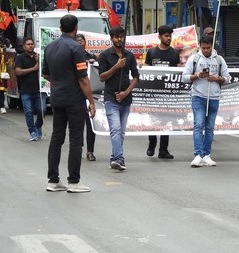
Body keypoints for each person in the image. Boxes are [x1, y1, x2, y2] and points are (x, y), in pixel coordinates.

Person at [42, 14, 96, 193]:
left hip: (57, 97)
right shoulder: (76, 48)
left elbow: (46, 74)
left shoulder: (50, 47)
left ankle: (53, 180)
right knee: (75, 139)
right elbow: (83, 79)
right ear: (76, 28)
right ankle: (73, 181)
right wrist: (91, 101)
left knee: (56, 137)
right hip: (74, 99)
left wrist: (60, 82)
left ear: (60, 28)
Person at [182, 35, 231, 167]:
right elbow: (184, 78)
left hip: (214, 97)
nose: (205, 50)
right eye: (203, 48)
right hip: (198, 96)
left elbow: (227, 78)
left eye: (208, 48)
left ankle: (206, 155)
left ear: (212, 46)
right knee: (199, 125)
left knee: (209, 127)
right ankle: (198, 154)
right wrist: (197, 75)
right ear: (200, 46)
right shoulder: (194, 59)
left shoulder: (219, 60)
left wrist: (217, 78)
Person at [98, 25, 140, 172]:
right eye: (116, 37)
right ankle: (119, 158)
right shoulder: (105, 55)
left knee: (121, 132)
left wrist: (126, 92)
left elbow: (136, 77)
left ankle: (114, 158)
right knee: (115, 129)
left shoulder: (129, 56)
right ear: (111, 39)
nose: (119, 39)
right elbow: (102, 77)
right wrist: (116, 66)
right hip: (111, 97)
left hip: (126, 98)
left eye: (121, 37)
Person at [145, 25, 179, 159]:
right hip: (153, 93)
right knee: (153, 120)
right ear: (159, 37)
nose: (168, 38)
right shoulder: (152, 52)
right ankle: (152, 143)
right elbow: (146, 69)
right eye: (166, 36)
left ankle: (163, 149)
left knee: (166, 120)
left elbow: (177, 71)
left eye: (170, 36)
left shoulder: (174, 53)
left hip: (167, 94)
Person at [15, 37, 46, 141]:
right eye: (28, 44)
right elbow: (18, 72)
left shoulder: (39, 56)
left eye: (32, 44)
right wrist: (33, 69)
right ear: (24, 46)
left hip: (40, 90)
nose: (31, 46)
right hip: (26, 90)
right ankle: (32, 132)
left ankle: (38, 126)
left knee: (42, 110)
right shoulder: (20, 58)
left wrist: (38, 62)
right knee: (28, 112)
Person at [76, 33, 97, 160]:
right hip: (77, 94)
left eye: (81, 41)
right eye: (77, 40)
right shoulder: (71, 56)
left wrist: (94, 62)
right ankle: (78, 147)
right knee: (78, 124)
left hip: (89, 94)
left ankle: (90, 151)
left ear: (85, 42)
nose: (80, 43)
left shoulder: (91, 57)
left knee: (90, 124)